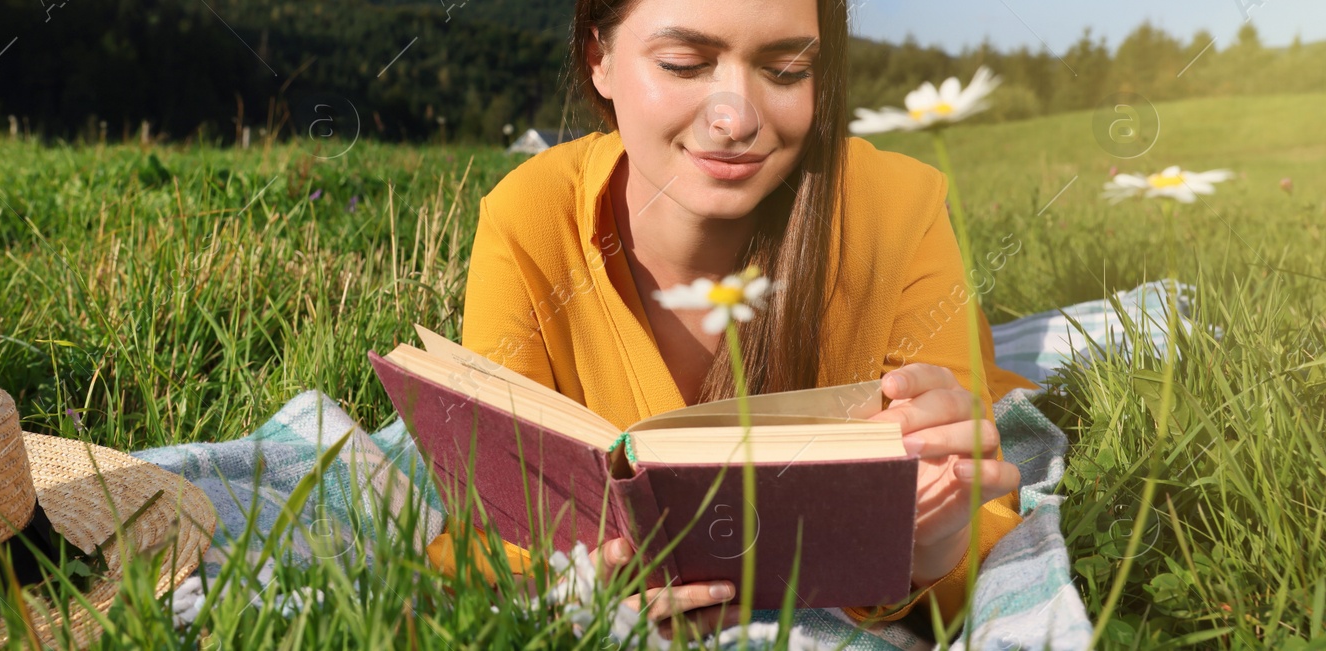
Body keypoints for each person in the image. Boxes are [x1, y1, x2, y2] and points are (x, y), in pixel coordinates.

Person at [426, 0, 1040, 639]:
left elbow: (983, 533)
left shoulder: (899, 212)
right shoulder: (530, 219)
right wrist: (576, 596)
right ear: (599, 59)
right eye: (684, 64)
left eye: (786, 71)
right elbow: (497, 523)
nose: (735, 119)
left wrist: (931, 554)